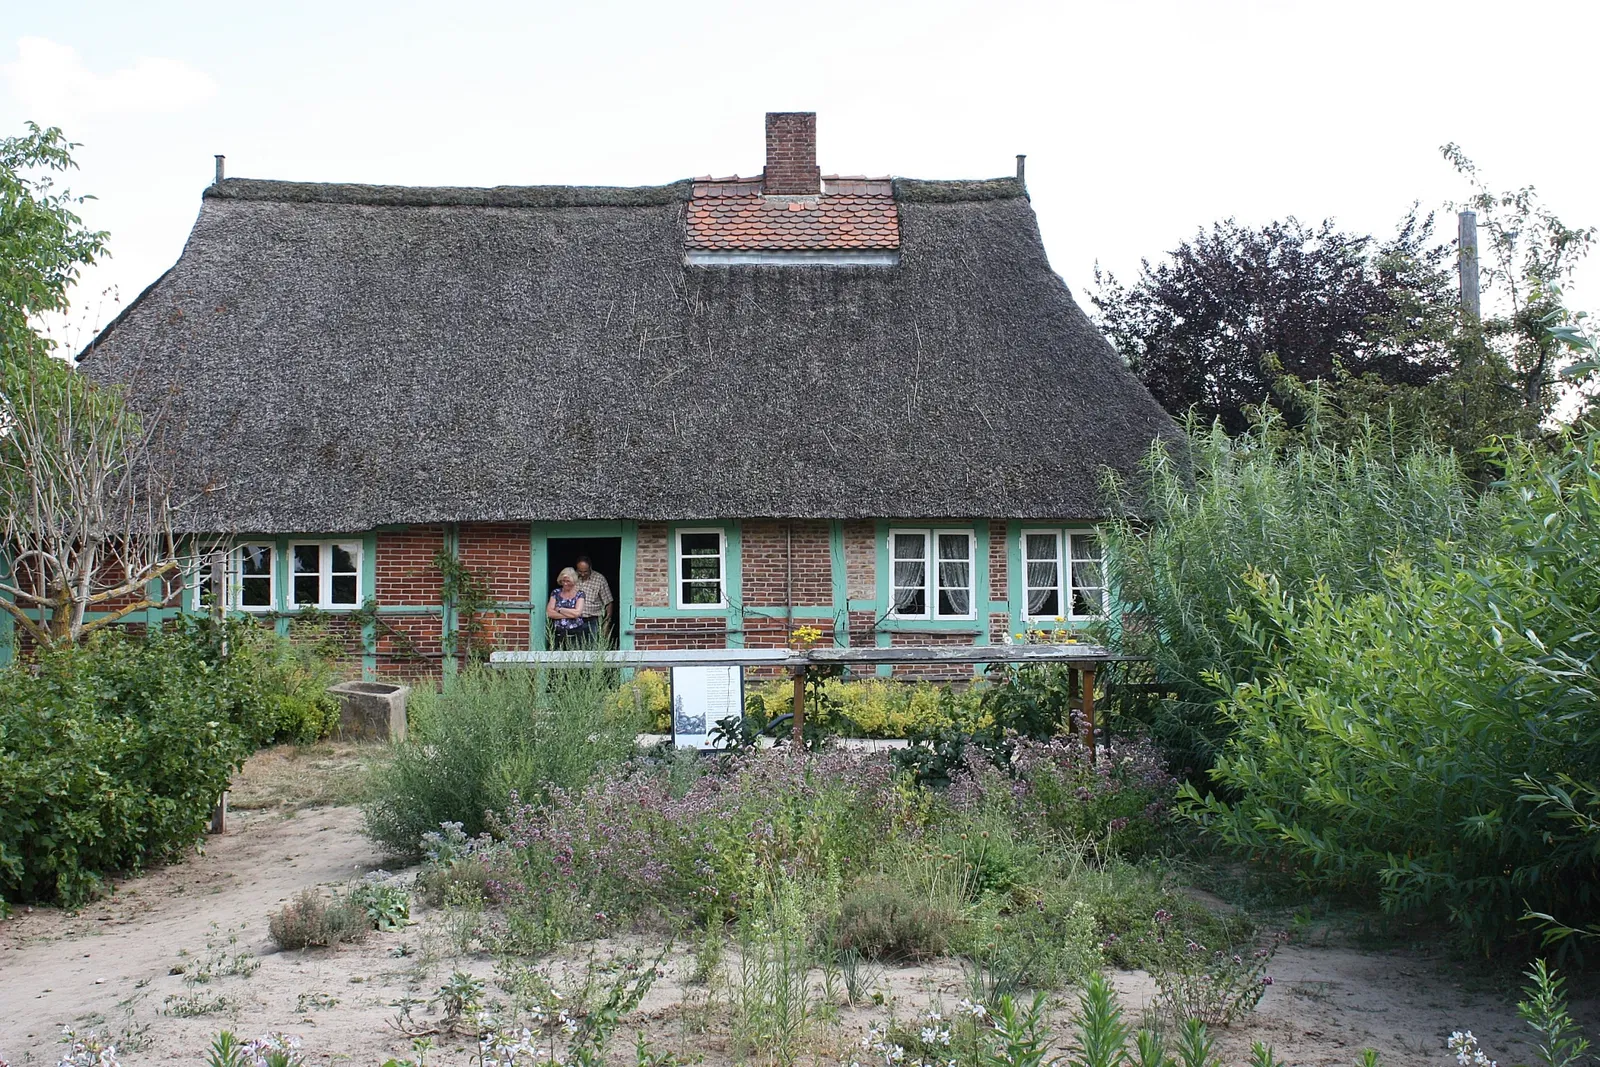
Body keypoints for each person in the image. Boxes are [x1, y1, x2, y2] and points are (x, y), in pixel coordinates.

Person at [574, 555, 615, 644]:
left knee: (594, 647)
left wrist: (607, 623)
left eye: (585, 571)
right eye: (580, 571)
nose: (583, 574)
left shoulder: (599, 579)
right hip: (575, 620)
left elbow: (608, 602)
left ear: (590, 568)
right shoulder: (572, 578)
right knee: (576, 647)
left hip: (593, 620)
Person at [546, 567, 586, 648]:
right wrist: (571, 614)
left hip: (576, 632)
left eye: (568, 581)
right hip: (558, 632)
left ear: (574, 581)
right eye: (563, 581)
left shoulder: (580, 594)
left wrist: (560, 610)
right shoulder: (555, 593)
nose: (565, 583)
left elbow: (577, 613)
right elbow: (549, 613)